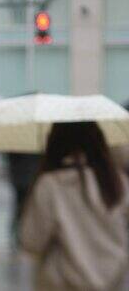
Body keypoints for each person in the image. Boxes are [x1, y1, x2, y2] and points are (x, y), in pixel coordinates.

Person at [20, 122, 129, 291]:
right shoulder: (117, 183)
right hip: (114, 281)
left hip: (61, 283)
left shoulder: (51, 184)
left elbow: (31, 242)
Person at [5, 152, 41, 246]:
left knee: (20, 208)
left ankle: (17, 233)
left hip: (20, 179)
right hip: (30, 179)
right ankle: (22, 233)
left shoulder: (17, 146)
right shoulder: (33, 147)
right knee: (28, 208)